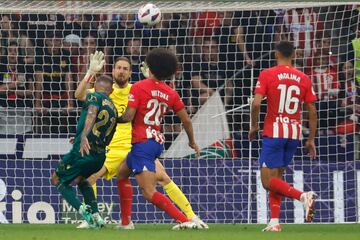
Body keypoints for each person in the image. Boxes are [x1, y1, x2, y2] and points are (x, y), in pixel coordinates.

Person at [74, 51, 208, 229]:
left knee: (155, 185)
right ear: (112, 71)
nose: (122, 71)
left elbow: (129, 115)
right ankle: (119, 221)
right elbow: (79, 95)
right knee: (109, 175)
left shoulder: (137, 88)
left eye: (126, 69)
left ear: (131, 73)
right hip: (123, 146)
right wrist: (90, 72)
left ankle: (189, 219)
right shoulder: (103, 90)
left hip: (137, 143)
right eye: (119, 68)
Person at [116, 48, 201, 230]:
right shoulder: (170, 93)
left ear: (150, 66)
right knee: (122, 174)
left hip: (142, 143)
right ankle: (126, 223)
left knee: (148, 192)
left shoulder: (138, 87)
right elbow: (186, 120)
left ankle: (185, 220)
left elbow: (129, 116)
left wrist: (112, 116)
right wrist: (192, 141)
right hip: (155, 142)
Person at [248, 41, 318, 232]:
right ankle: (274, 222)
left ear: (276, 53)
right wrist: (311, 139)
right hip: (294, 133)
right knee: (277, 178)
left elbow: (255, 104)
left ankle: (303, 196)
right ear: (294, 55)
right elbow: (312, 109)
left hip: (274, 131)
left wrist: (253, 126)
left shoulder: (267, 74)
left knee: (267, 181)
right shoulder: (304, 78)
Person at [51, 75, 117, 229]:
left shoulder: (94, 96)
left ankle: (83, 210)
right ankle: (97, 216)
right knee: (82, 180)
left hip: (83, 152)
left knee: (57, 179)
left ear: (94, 86)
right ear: (111, 90)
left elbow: (92, 113)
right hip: (99, 156)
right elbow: (110, 135)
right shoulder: (113, 108)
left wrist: (83, 136)